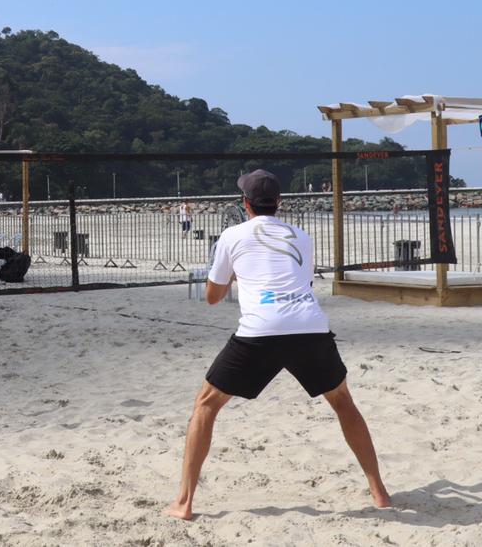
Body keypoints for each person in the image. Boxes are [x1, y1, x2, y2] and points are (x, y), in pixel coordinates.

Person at [164, 169, 390, 521]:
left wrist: (235, 275)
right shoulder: (302, 236)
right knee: (343, 402)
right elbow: (298, 281)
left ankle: (184, 503)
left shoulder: (231, 235)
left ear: (245, 204)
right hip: (309, 324)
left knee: (206, 405)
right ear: (279, 204)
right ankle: (379, 493)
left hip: (261, 330)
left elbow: (212, 297)